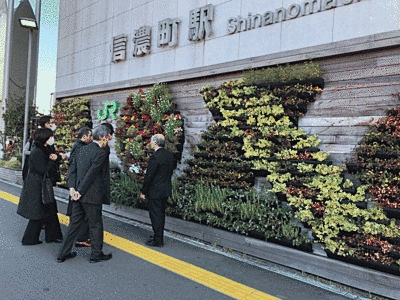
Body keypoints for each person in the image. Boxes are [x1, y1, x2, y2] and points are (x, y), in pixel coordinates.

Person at [57, 125, 112, 263]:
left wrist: (72, 190)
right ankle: (96, 254)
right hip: (91, 195)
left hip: (76, 194)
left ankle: (62, 253)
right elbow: (91, 174)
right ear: (104, 137)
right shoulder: (100, 153)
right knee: (95, 225)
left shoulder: (81, 150)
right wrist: (80, 192)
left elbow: (72, 171)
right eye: (108, 137)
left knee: (73, 225)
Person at [17, 128, 60, 245]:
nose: (52, 139)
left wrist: (56, 158)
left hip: (40, 184)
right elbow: (43, 170)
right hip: (37, 185)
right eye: (50, 136)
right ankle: (29, 239)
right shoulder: (37, 152)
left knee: (47, 210)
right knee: (39, 211)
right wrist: (52, 161)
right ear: (45, 137)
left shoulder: (44, 149)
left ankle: (51, 236)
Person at [140, 134, 174, 247]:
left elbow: (149, 176)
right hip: (165, 189)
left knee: (155, 216)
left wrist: (143, 191)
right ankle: (158, 235)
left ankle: (158, 240)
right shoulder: (169, 155)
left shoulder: (155, 157)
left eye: (151, 141)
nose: (150, 143)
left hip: (155, 191)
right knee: (161, 214)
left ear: (156, 143)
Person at [66, 126, 92, 247]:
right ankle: (80, 238)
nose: (91, 138)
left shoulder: (77, 146)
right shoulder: (81, 148)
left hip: (76, 185)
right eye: (90, 135)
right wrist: (72, 186)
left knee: (77, 213)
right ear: (84, 136)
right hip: (78, 185)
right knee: (81, 213)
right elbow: (73, 167)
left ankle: (76, 238)